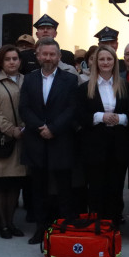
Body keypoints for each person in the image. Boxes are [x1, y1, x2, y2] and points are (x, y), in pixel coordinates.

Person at [19, 37, 79, 244]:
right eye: (44, 54)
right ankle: (41, 228)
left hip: (60, 140)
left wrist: (53, 128)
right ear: (37, 56)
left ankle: (64, 228)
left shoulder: (71, 80)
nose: (48, 58)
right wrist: (40, 127)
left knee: (63, 188)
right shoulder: (29, 79)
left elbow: (73, 109)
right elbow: (24, 108)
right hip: (36, 141)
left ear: (59, 57)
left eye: (52, 54)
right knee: (38, 189)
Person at [77, 45, 129, 226]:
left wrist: (121, 119)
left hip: (118, 146)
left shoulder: (125, 86)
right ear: (95, 62)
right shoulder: (85, 88)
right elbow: (79, 115)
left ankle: (113, 227)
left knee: (115, 189)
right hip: (94, 147)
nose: (105, 62)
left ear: (115, 62)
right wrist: (101, 116)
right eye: (102, 59)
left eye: (109, 59)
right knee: (96, 188)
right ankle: (96, 226)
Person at [0, 45, 27, 239]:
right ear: (1, 62)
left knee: (15, 183)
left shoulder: (27, 80)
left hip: (23, 138)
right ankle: (3, 224)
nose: (11, 62)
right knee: (0, 184)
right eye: (7, 59)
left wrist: (25, 128)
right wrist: (11, 129)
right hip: (1, 138)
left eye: (15, 58)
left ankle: (11, 222)